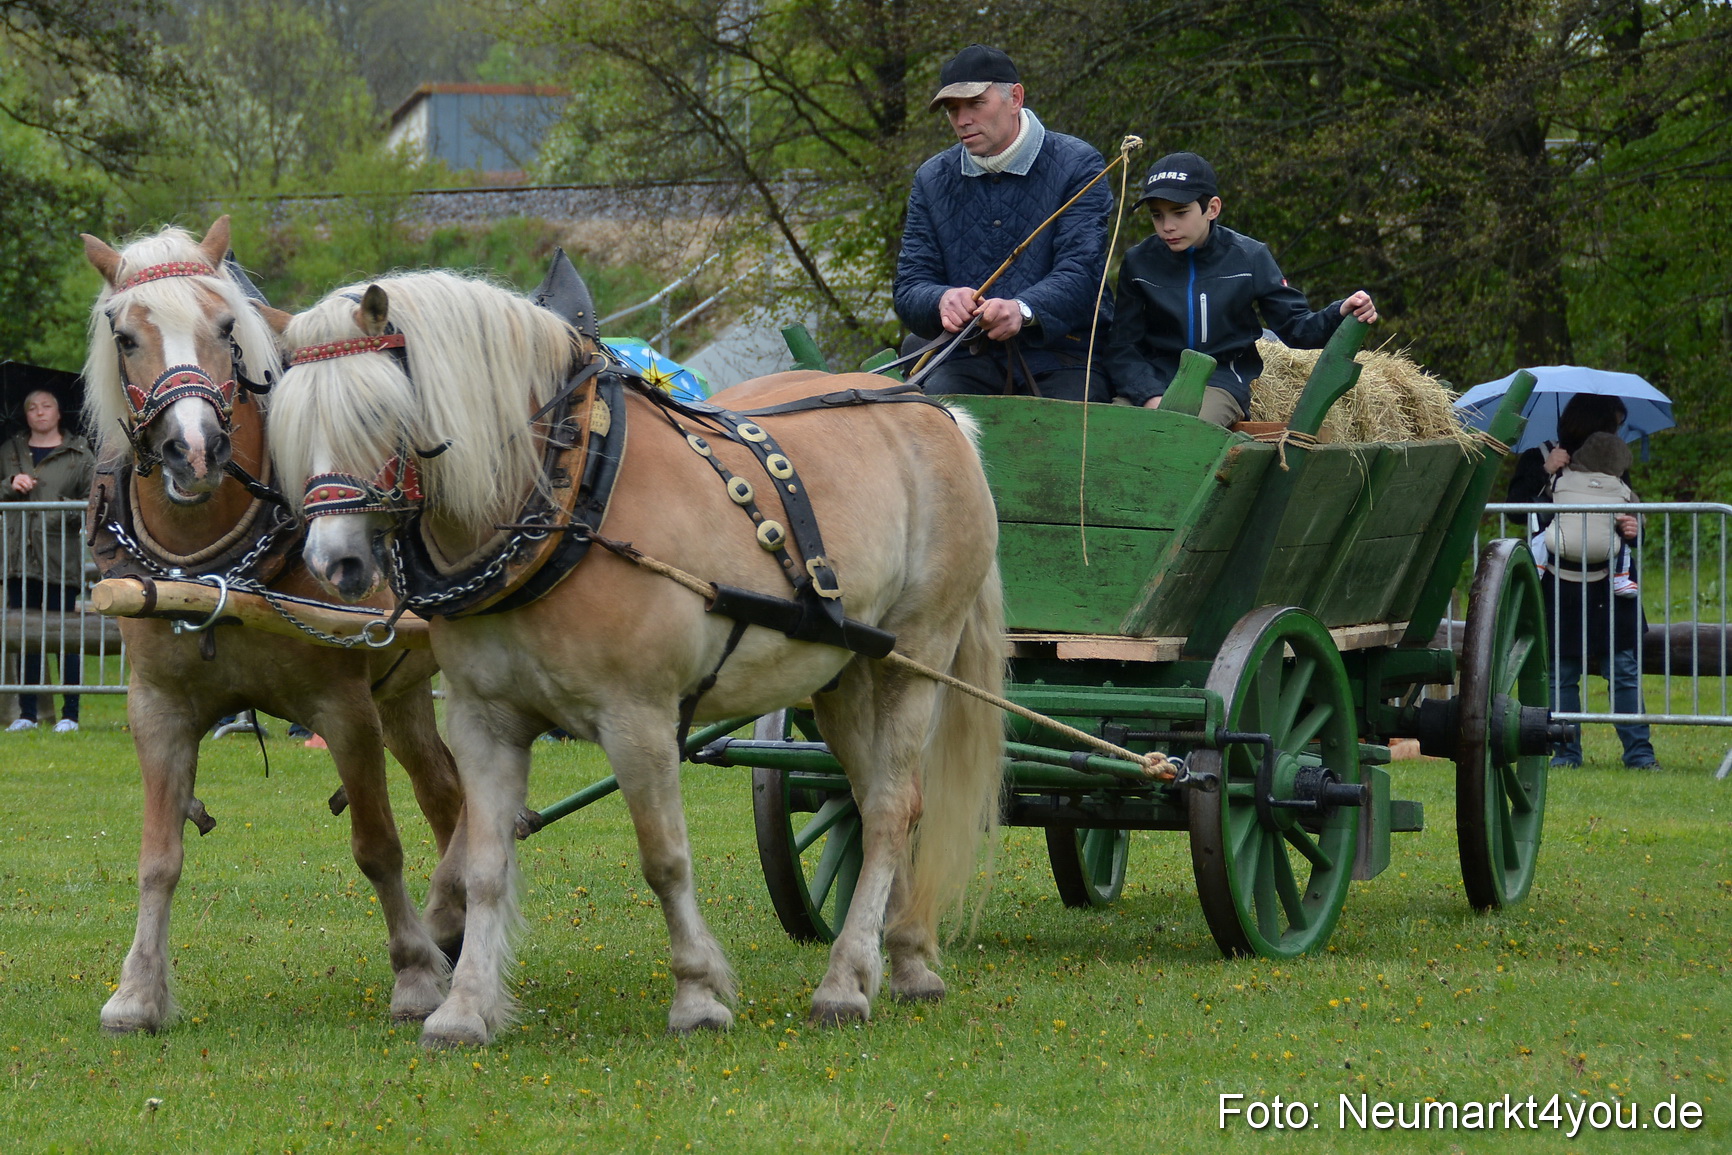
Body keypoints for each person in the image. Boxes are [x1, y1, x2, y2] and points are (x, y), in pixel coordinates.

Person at [893, 44, 1114, 401]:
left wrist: (1023, 310)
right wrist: (942, 300)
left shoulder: (1079, 165)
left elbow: (1082, 274)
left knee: (1072, 442)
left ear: (1015, 98)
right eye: (952, 109)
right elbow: (910, 287)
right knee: (932, 427)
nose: (962, 120)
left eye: (975, 104)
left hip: (1064, 354)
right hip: (962, 357)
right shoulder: (931, 178)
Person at [1104, 151, 1379, 427]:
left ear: (1212, 208)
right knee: (1110, 430)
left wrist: (1338, 312)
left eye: (1180, 212)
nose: (1168, 226)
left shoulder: (1249, 257)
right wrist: (1149, 395)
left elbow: (1296, 327)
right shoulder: (1138, 263)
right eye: (1157, 215)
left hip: (1218, 382)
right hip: (1153, 379)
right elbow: (1122, 347)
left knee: (1184, 433)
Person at [1506, 393, 1657, 770]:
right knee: (1561, 671)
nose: (1618, 433)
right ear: (1592, 426)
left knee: (1623, 668)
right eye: (1614, 425)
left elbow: (1628, 512)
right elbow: (1514, 511)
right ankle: (1565, 753)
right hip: (1559, 581)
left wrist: (1633, 528)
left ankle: (1639, 754)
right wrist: (1545, 471)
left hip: (1610, 583)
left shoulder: (1613, 460)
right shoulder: (1539, 455)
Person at [2, 388, 96, 732]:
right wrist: (10, 483)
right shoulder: (9, 450)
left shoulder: (80, 454)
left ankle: (70, 712)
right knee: (27, 635)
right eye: (31, 407)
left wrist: (64, 511)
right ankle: (27, 713)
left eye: (46, 406)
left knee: (64, 636)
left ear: (59, 413)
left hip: (60, 559)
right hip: (18, 559)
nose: (39, 412)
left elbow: (93, 500)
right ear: (25, 415)